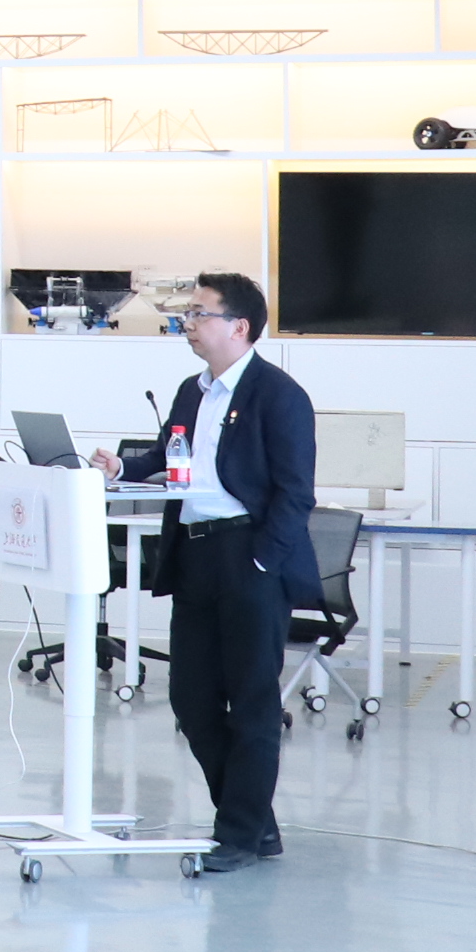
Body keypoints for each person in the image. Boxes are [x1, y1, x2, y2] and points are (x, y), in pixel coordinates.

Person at [90, 271, 317, 874]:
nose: (186, 323)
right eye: (187, 314)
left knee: (252, 701)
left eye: (199, 313)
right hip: (194, 555)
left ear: (239, 326)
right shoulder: (192, 392)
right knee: (191, 699)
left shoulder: (279, 395)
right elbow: (170, 456)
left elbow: (297, 493)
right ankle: (255, 823)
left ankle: (238, 834)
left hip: (248, 557)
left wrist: (262, 560)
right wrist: (122, 468)